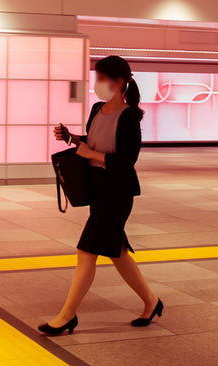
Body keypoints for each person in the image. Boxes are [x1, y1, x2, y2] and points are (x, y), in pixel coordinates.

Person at [40, 55, 161, 335]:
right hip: (97, 189)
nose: (97, 84)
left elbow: (127, 160)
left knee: (86, 251)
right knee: (117, 253)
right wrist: (71, 137)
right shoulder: (97, 109)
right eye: (97, 78)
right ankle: (151, 302)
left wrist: (92, 153)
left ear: (119, 82)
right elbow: (92, 142)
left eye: (102, 79)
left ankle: (67, 315)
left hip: (117, 192)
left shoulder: (130, 115)